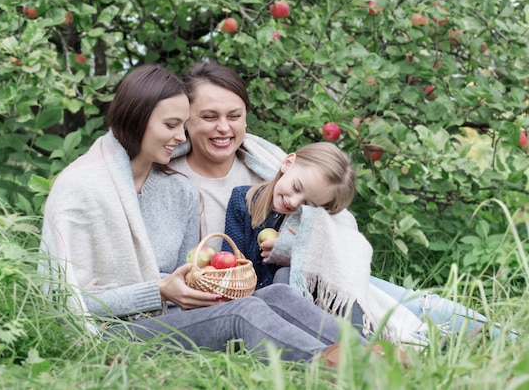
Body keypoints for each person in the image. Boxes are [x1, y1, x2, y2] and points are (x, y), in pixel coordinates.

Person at [38, 63, 375, 364]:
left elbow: (184, 271)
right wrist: (160, 290)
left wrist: (198, 286)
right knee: (244, 313)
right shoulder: (84, 190)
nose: (181, 137)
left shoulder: (179, 190)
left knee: (276, 293)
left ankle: (373, 354)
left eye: (183, 125)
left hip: (170, 317)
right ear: (137, 119)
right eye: (172, 125)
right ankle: (346, 369)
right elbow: (63, 301)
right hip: (114, 331)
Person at [170, 61, 512, 341]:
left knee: (404, 301)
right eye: (209, 116)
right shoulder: (174, 182)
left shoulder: (269, 163)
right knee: (378, 310)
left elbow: (330, 221)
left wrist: (298, 245)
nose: (224, 128)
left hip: (314, 279)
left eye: (234, 116)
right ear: (187, 118)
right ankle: (409, 345)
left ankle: (502, 336)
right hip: (256, 294)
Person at [222, 142, 356, 290]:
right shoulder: (242, 200)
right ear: (287, 163)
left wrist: (300, 255)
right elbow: (230, 259)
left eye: (307, 204)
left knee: (284, 275)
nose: (294, 202)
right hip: (246, 295)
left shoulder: (310, 224)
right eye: (296, 187)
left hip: (291, 298)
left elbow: (340, 268)